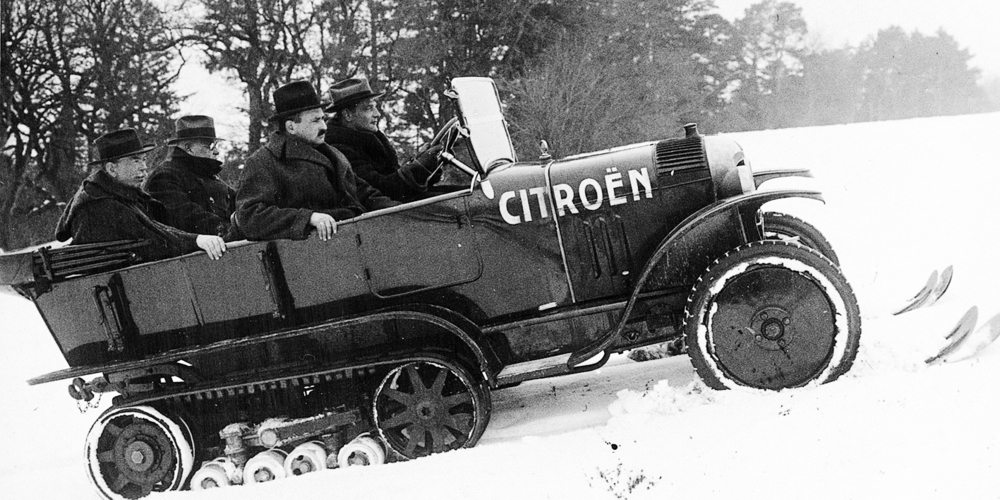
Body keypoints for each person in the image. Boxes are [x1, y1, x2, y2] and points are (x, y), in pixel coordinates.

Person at [235, 80, 398, 241]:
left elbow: (363, 193)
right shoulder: (264, 161)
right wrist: (308, 217)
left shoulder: (333, 154)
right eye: (315, 120)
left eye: (322, 118)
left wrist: (398, 209)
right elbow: (249, 216)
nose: (324, 126)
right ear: (291, 127)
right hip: (309, 250)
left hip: (349, 240)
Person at [55, 128, 227, 261]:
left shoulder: (126, 196)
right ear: (112, 169)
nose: (144, 167)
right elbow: (152, 238)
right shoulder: (99, 205)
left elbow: (156, 228)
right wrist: (196, 240)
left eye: (143, 160)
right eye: (135, 160)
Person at [325, 77, 442, 202]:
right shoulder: (339, 148)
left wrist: (424, 163)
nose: (377, 114)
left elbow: (393, 177)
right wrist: (418, 167)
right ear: (347, 115)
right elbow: (380, 189)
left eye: (375, 107)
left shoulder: (369, 138)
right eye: (369, 108)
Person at [144, 115, 237, 239]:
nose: (216, 151)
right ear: (188, 148)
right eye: (209, 146)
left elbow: (239, 200)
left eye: (215, 145)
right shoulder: (165, 176)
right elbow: (186, 216)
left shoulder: (208, 175)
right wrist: (229, 229)